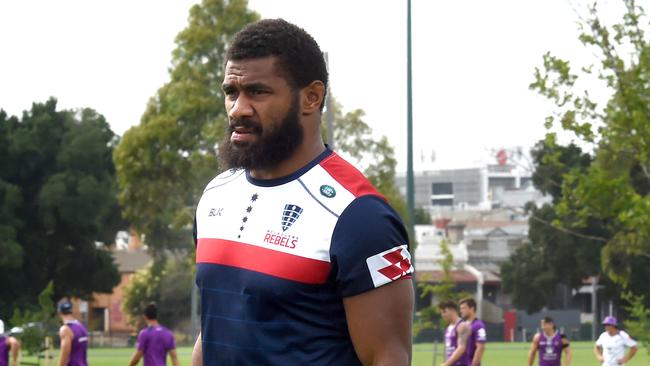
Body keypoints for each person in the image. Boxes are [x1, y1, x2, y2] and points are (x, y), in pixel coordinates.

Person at [192, 18, 414, 366]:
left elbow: (387, 357)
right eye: (231, 93)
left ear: (311, 97)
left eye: (258, 92)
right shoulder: (215, 196)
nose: (238, 109)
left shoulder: (360, 217)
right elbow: (213, 331)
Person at [57, 301, 88, 366]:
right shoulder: (81, 327)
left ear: (59, 312)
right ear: (71, 311)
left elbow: (65, 354)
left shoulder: (65, 329)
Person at [439, 300, 469, 366]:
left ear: (452, 310)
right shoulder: (449, 327)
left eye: (444, 312)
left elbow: (461, 348)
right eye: (441, 313)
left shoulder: (462, 326)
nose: (443, 315)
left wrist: (446, 364)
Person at [459, 298, 486, 366]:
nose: (461, 311)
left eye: (463, 308)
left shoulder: (478, 325)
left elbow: (480, 347)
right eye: (461, 309)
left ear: (472, 308)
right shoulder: (462, 325)